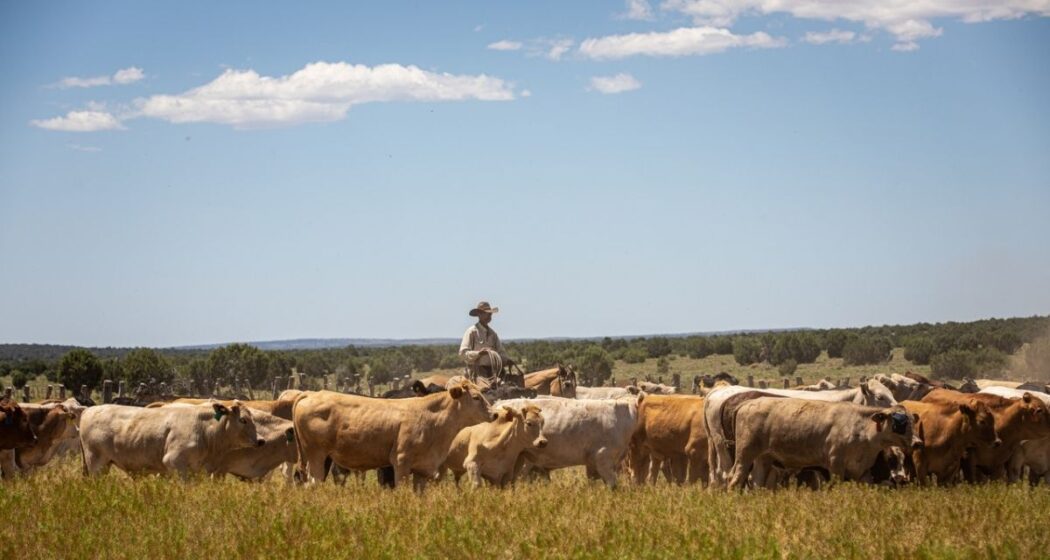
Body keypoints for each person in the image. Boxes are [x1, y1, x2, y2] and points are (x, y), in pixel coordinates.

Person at [459, 301, 511, 381]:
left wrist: (506, 360)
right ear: (479, 315)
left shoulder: (493, 334)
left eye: (490, 313)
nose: (490, 315)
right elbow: (463, 354)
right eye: (486, 313)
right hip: (475, 372)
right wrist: (479, 353)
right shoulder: (471, 332)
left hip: (493, 372)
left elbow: (501, 352)